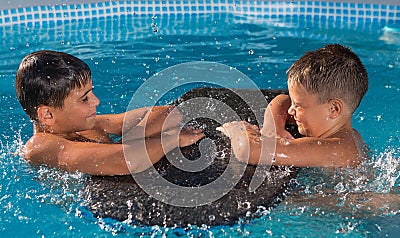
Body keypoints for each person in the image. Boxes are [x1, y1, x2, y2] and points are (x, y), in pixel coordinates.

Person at [15, 50, 204, 176]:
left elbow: (170, 114)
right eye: (84, 99)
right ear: (47, 115)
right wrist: (169, 139)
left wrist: (130, 143)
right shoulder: (40, 146)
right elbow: (126, 160)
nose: (96, 101)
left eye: (91, 93)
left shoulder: (85, 124)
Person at [218, 44, 369, 168]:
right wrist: (274, 128)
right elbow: (282, 100)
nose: (291, 110)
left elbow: (249, 150)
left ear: (333, 109)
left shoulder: (336, 150)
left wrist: (237, 129)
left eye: (298, 105)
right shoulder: (342, 132)